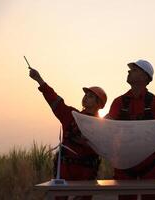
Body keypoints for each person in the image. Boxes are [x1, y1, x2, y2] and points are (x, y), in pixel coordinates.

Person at [106, 59, 155, 200]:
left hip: (150, 165)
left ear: (145, 77)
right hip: (124, 164)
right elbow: (106, 128)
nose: (129, 71)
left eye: (134, 70)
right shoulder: (118, 102)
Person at [29, 67, 107, 200]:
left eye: (90, 96)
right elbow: (54, 100)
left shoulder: (103, 127)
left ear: (99, 103)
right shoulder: (71, 115)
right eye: (85, 95)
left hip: (87, 171)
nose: (85, 97)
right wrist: (39, 79)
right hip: (66, 168)